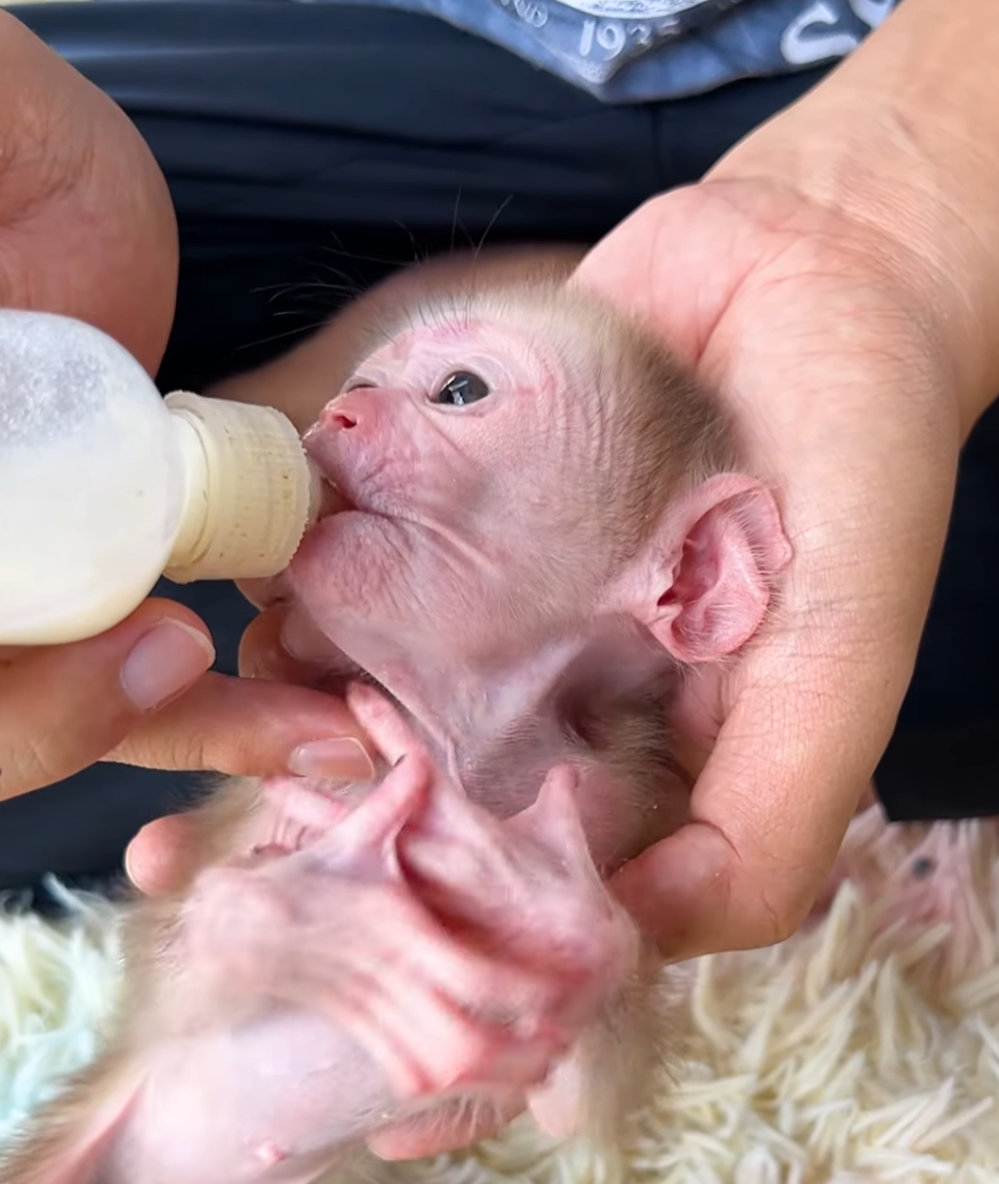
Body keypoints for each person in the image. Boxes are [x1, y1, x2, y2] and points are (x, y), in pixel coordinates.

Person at [1, 0, 998, 965]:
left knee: (867, 571)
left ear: (696, 576)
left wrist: (904, 189)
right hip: (423, 32)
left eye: (456, 387)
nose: (332, 422)